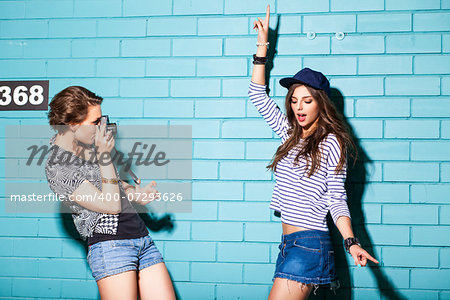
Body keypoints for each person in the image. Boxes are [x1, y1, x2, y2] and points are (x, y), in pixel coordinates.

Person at [249, 6, 379, 300]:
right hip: (288, 244)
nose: (298, 107)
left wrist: (351, 242)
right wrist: (262, 45)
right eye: (294, 100)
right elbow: (257, 94)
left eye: (307, 100)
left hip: (309, 244)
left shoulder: (332, 142)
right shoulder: (289, 133)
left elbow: (336, 197)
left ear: (321, 103)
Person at [45, 86, 176, 300]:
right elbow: (110, 205)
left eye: (102, 119)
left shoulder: (87, 147)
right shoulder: (58, 167)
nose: (102, 126)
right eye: (95, 122)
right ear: (72, 125)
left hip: (141, 237)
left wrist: (134, 192)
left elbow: (112, 185)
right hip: (111, 246)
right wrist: (105, 156)